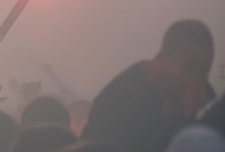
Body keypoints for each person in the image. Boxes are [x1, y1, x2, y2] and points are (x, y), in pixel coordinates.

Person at [81, 20, 215, 152]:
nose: (197, 78)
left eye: (204, 70)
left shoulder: (207, 100)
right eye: (188, 67)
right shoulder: (124, 95)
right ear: (162, 60)